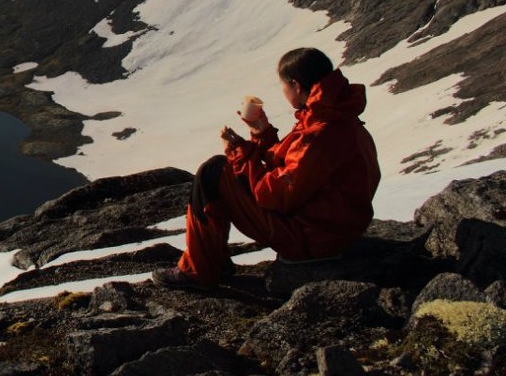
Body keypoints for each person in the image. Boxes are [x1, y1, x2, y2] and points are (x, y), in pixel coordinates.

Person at [151, 47, 381, 290]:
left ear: (296, 85)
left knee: (213, 173)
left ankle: (199, 271)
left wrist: (238, 152)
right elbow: (296, 166)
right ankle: (212, 260)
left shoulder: (319, 132)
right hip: (334, 228)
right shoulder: (336, 116)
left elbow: (272, 195)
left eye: (283, 85)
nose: (282, 90)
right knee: (222, 170)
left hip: (312, 238)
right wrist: (262, 132)